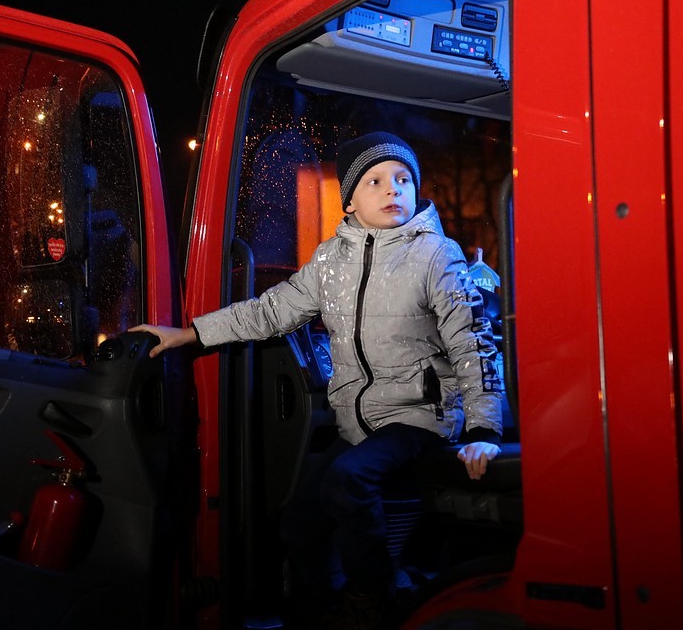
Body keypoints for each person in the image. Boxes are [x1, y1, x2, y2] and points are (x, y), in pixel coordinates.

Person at [131, 132, 503, 629]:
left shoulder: (437, 256)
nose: (392, 189)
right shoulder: (330, 262)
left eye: (403, 179)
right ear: (349, 201)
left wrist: (483, 430)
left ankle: (373, 596)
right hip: (357, 423)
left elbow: (472, 343)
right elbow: (270, 311)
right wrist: (189, 334)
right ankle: (323, 609)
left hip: (418, 418)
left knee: (350, 479)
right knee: (298, 521)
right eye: (375, 181)